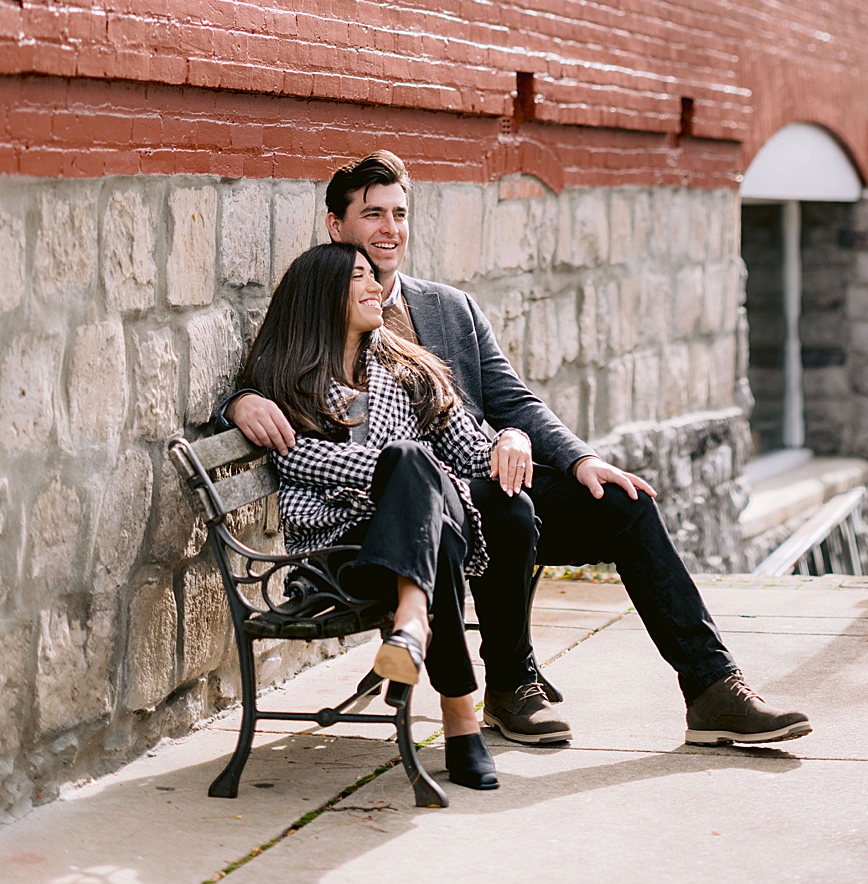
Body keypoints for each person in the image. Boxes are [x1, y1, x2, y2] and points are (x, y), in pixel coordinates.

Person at [225, 151, 811, 750]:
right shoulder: (316, 301)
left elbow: (513, 400)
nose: (389, 229)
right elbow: (280, 373)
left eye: (399, 214)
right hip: (413, 517)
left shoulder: (450, 308)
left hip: (487, 475)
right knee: (508, 511)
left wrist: (570, 456)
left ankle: (713, 688)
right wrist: (240, 401)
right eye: (373, 214)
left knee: (624, 504)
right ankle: (511, 686)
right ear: (336, 226)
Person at [238, 238, 501, 791]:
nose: (377, 286)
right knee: (421, 492)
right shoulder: (287, 386)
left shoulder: (410, 372)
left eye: (374, 276)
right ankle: (458, 715)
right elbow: (305, 461)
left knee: (416, 474)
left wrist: (514, 438)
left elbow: (475, 453)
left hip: (406, 538)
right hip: (341, 559)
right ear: (322, 295)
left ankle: (411, 627)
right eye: (360, 276)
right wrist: (416, 475)